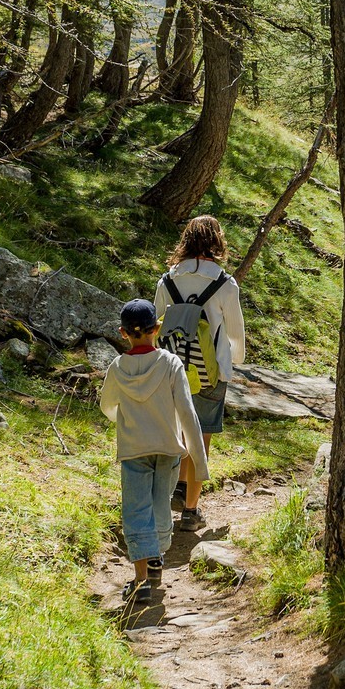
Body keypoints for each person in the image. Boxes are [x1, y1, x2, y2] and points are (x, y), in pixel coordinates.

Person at [100, 297, 207, 605]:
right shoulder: (171, 364)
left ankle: (141, 580)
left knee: (136, 510)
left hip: (134, 449)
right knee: (161, 503)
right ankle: (157, 558)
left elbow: (108, 405)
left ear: (123, 333)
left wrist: (125, 419)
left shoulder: (117, 368)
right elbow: (187, 413)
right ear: (156, 328)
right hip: (168, 447)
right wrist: (199, 462)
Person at [154, 214, 246, 532]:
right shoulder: (224, 284)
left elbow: (157, 327)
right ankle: (190, 511)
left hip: (172, 369)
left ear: (186, 241)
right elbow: (235, 335)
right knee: (200, 437)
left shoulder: (167, 281)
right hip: (210, 371)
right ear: (216, 241)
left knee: (176, 433)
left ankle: (173, 491)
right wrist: (232, 364)